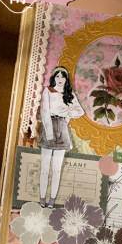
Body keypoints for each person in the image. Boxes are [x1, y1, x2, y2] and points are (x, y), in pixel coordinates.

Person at [38, 66, 84, 208]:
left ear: (66, 79)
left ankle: (52, 201)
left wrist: (68, 115)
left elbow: (80, 111)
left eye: (63, 76)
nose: (60, 79)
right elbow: (44, 111)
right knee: (45, 168)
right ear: (53, 77)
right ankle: (42, 199)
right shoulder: (48, 91)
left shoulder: (70, 95)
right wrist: (49, 133)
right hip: (49, 126)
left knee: (57, 170)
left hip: (62, 129)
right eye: (57, 76)